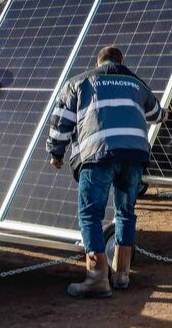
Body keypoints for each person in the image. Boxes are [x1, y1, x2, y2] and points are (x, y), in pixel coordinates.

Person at [48, 46, 164, 298]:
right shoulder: (136, 84)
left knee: (90, 215)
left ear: (98, 62)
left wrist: (56, 152)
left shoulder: (79, 83)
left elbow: (61, 121)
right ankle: (121, 274)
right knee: (125, 213)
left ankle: (97, 277)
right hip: (134, 156)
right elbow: (157, 114)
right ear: (120, 61)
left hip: (97, 154)